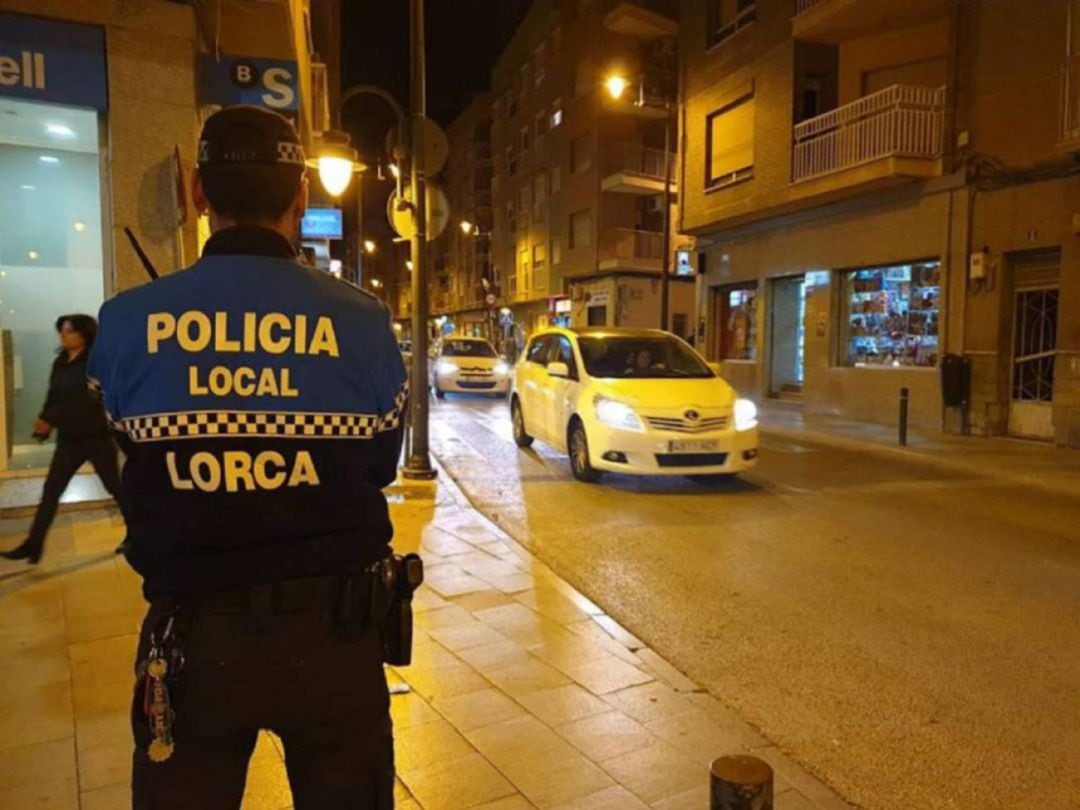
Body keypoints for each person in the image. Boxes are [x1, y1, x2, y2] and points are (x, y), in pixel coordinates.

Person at [87, 106, 408, 809]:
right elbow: (381, 462)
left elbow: (124, 447)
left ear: (198, 193)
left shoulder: (125, 323)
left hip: (193, 644)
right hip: (337, 637)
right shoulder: (363, 321)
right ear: (300, 195)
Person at [1, 315, 129, 565]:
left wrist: (52, 419)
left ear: (83, 334)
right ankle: (33, 545)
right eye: (62, 331)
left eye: (69, 331)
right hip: (69, 439)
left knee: (115, 488)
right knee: (51, 491)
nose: (64, 335)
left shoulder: (95, 363)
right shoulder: (61, 362)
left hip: (95, 437)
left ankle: (137, 534)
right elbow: (55, 396)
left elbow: (85, 400)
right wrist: (44, 422)